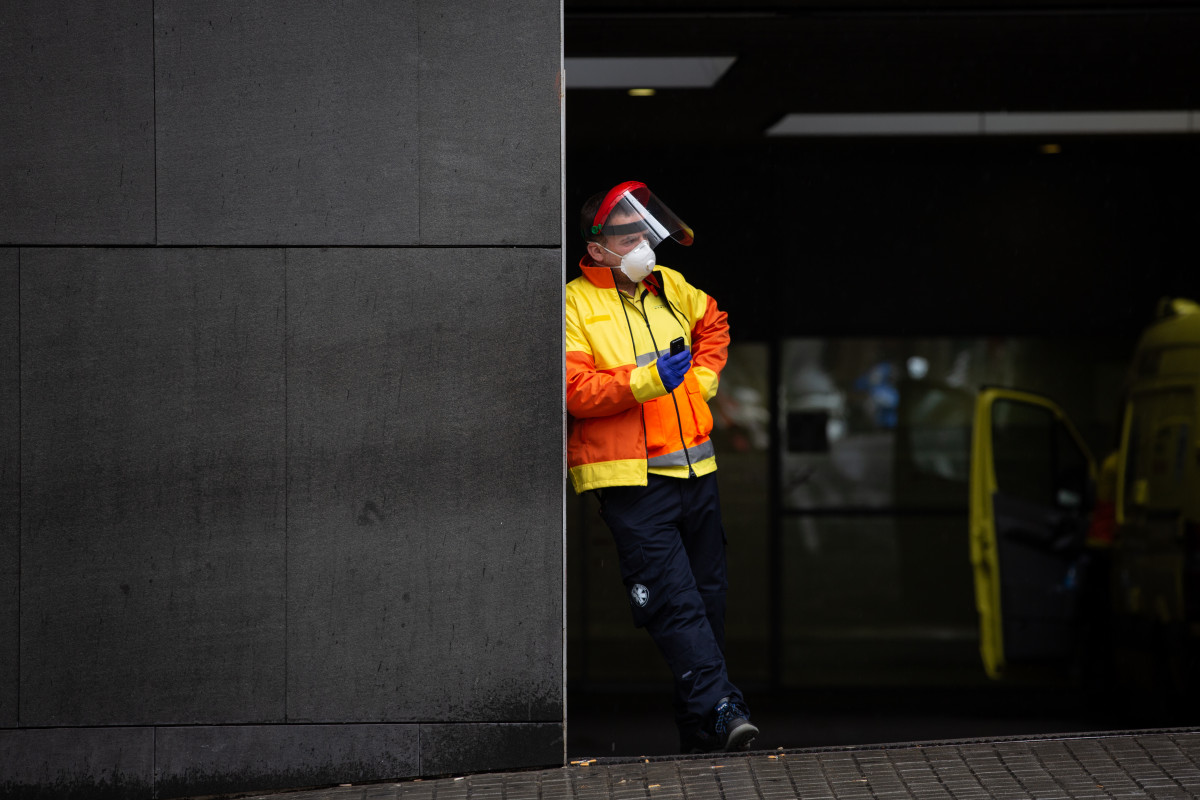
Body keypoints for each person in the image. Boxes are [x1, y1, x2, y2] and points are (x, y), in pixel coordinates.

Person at [565, 180, 758, 753]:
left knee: (708, 601)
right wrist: (652, 380)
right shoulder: (576, 302)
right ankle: (723, 708)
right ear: (598, 248)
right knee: (674, 601)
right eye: (630, 235)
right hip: (631, 482)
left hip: (696, 473)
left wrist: (698, 383)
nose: (646, 243)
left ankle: (701, 730)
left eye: (648, 232)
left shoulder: (668, 286)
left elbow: (714, 322)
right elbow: (576, 391)